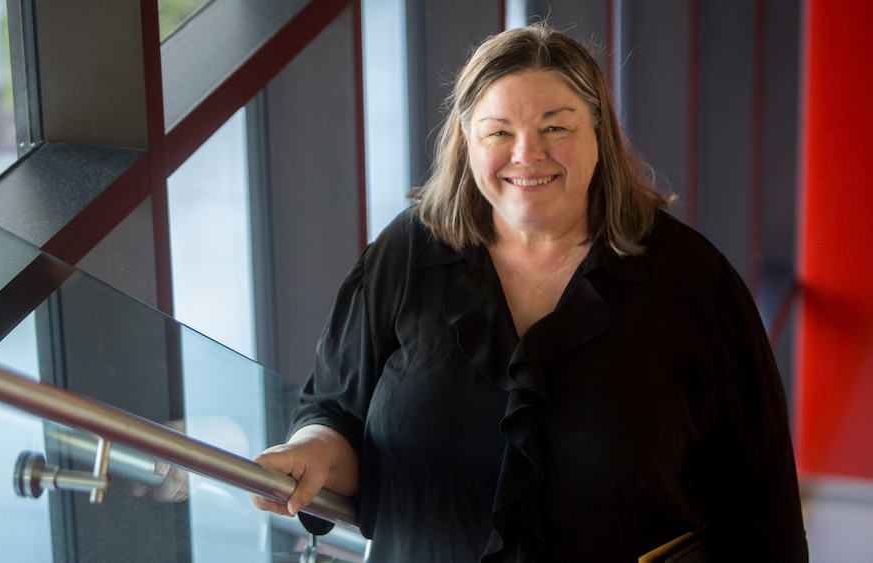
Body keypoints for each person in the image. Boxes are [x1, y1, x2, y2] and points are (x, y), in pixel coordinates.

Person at [251, 23, 808, 561]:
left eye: (555, 128)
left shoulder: (694, 281)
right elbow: (335, 410)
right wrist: (312, 451)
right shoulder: (406, 254)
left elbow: (762, 509)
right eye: (499, 132)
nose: (527, 154)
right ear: (468, 140)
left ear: (599, 135)